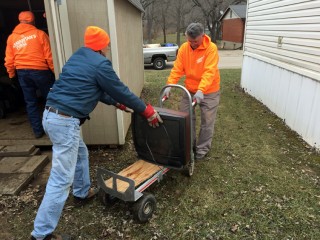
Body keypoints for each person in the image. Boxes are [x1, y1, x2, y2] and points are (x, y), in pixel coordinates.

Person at [30, 26, 162, 240]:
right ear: (102, 46)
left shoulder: (78, 58)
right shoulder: (100, 64)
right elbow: (120, 89)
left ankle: (81, 193)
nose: (108, 48)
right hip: (65, 122)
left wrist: (116, 103)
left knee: (81, 153)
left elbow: (96, 89)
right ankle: (41, 234)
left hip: (50, 116)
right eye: (107, 45)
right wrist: (146, 110)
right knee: (60, 179)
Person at [163, 22, 220, 160]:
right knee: (185, 117)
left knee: (207, 121)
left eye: (195, 41)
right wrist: (170, 85)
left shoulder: (211, 49)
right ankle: (189, 144)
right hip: (190, 89)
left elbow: (209, 71)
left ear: (202, 36)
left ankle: (202, 149)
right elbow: (178, 68)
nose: (192, 43)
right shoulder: (184, 48)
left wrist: (202, 90)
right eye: (189, 40)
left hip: (209, 91)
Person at [4, 11, 55, 138]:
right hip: (40, 71)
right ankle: (54, 130)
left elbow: (9, 59)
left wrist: (11, 75)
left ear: (20, 21)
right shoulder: (40, 34)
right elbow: (49, 56)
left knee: (30, 102)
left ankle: (38, 131)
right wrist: (56, 71)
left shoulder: (11, 38)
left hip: (22, 72)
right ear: (32, 21)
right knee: (51, 100)